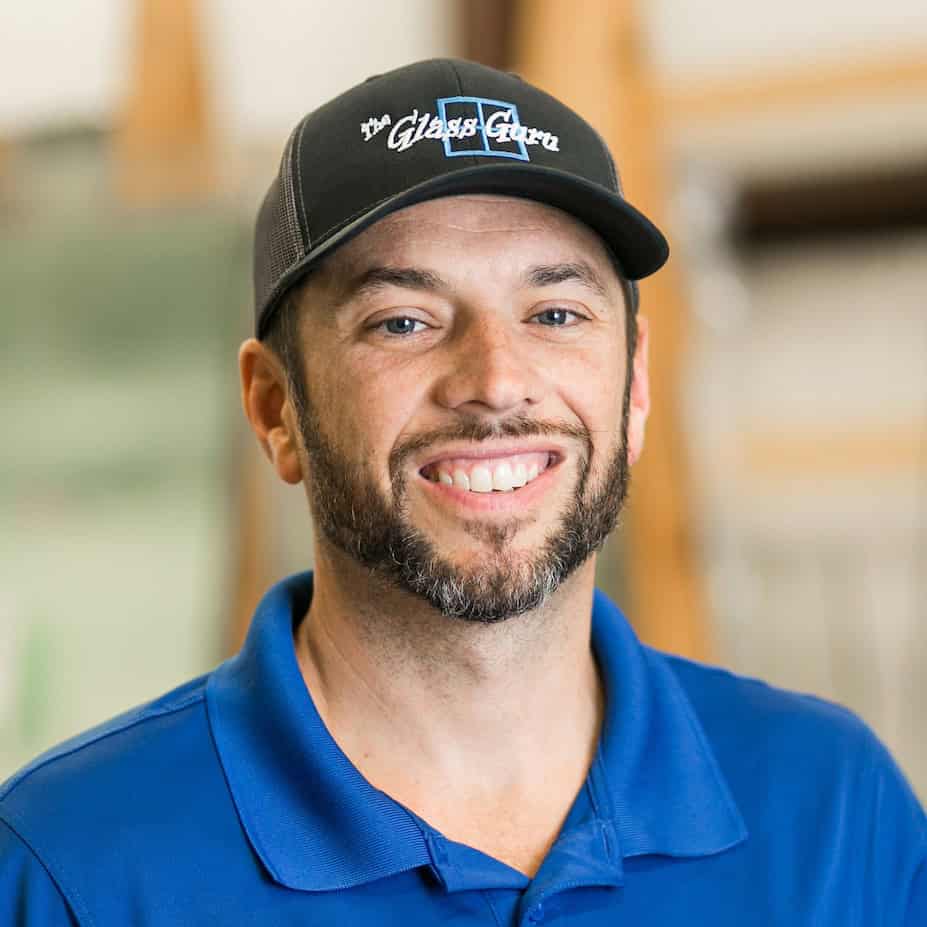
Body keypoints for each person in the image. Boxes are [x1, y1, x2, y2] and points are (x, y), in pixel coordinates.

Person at [1, 58, 924, 926]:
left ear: (633, 386)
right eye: (403, 320)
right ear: (275, 408)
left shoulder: (835, 812)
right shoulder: (68, 868)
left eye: (554, 313)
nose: (495, 379)